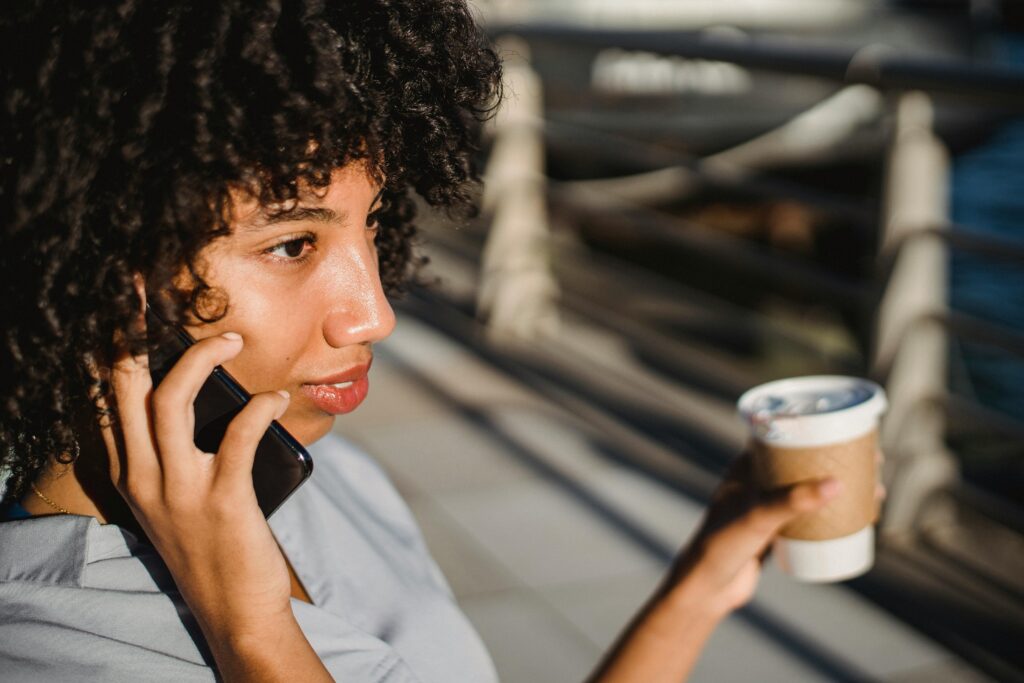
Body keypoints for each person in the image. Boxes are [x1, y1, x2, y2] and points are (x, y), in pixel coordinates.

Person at [0, 1, 846, 681]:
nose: (373, 314)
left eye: (370, 225)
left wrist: (700, 583)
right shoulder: (52, 648)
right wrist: (253, 637)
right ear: (96, 269)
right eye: (292, 244)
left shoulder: (332, 488)